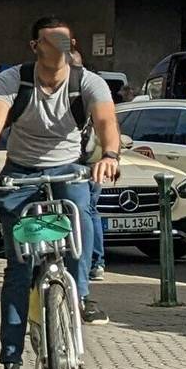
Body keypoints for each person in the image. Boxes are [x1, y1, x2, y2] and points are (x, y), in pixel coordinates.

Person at [0, 16, 121, 369]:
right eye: (50, 42)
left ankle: (79, 295)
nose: (58, 49)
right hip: (21, 173)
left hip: (68, 169)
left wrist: (110, 156)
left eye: (65, 42)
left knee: (80, 215)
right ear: (34, 46)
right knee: (18, 270)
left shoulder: (87, 81)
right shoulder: (11, 81)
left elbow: (106, 122)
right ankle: (12, 363)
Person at [72, 48, 109, 281]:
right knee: (89, 212)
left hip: (81, 163)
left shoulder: (82, 90)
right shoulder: (94, 87)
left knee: (82, 212)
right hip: (93, 161)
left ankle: (89, 264)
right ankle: (96, 262)